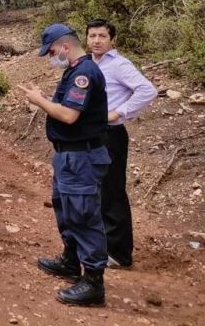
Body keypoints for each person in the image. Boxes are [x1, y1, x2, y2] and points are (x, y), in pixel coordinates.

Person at [18, 23, 110, 306]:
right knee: (66, 209)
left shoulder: (84, 73)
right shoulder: (75, 69)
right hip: (68, 156)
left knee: (83, 215)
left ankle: (94, 282)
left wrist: (40, 100)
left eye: (52, 52)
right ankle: (71, 261)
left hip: (80, 157)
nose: (51, 57)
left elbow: (69, 116)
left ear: (66, 47)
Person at [86, 18, 157, 269]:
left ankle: (119, 253)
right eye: (92, 35)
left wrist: (119, 112)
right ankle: (102, 245)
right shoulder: (89, 63)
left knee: (112, 191)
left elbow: (147, 90)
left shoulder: (119, 65)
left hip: (111, 134)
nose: (97, 40)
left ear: (112, 39)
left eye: (102, 36)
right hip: (92, 134)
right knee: (97, 191)